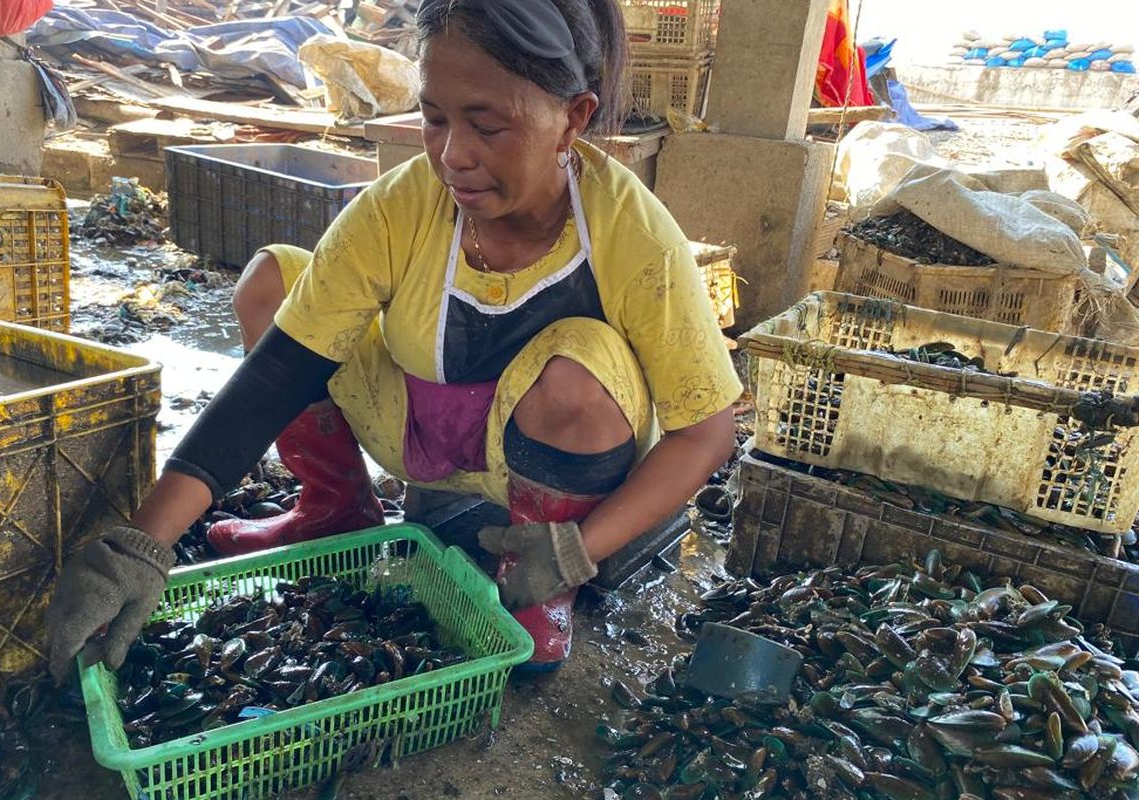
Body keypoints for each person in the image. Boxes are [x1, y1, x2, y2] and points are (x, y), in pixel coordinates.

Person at [45, 0, 741, 678]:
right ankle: (333, 509)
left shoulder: (632, 234)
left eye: (488, 127)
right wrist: (142, 544)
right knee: (275, 283)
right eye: (434, 118)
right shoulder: (403, 203)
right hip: (418, 434)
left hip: (551, 478)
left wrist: (578, 551)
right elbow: (278, 374)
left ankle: (540, 584)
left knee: (579, 369)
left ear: (571, 120)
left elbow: (705, 433)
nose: (453, 155)